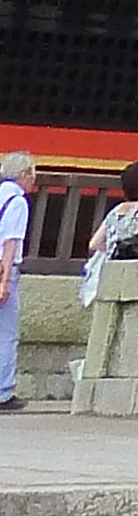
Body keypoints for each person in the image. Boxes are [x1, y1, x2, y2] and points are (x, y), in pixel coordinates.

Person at [79, 160, 138, 312]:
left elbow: (94, 244)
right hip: (130, 270)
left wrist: (112, 244)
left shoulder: (115, 210)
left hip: (109, 268)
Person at [0, 152, 34, 410]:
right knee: (6, 332)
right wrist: (5, 281)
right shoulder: (18, 202)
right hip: (4, 268)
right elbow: (10, 241)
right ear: (23, 174)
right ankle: (3, 390)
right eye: (33, 172)